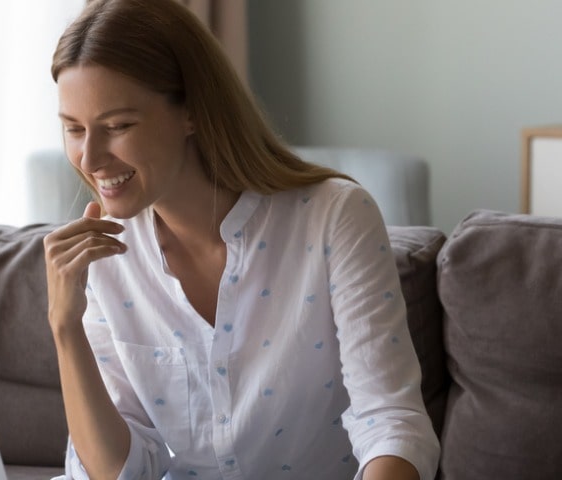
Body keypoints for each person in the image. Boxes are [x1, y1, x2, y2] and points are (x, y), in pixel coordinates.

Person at [42, 0, 440, 478]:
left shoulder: (335, 217)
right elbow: (119, 472)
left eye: (117, 126)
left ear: (192, 111)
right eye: (73, 129)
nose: (89, 158)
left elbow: (390, 423)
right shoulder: (107, 255)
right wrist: (65, 327)